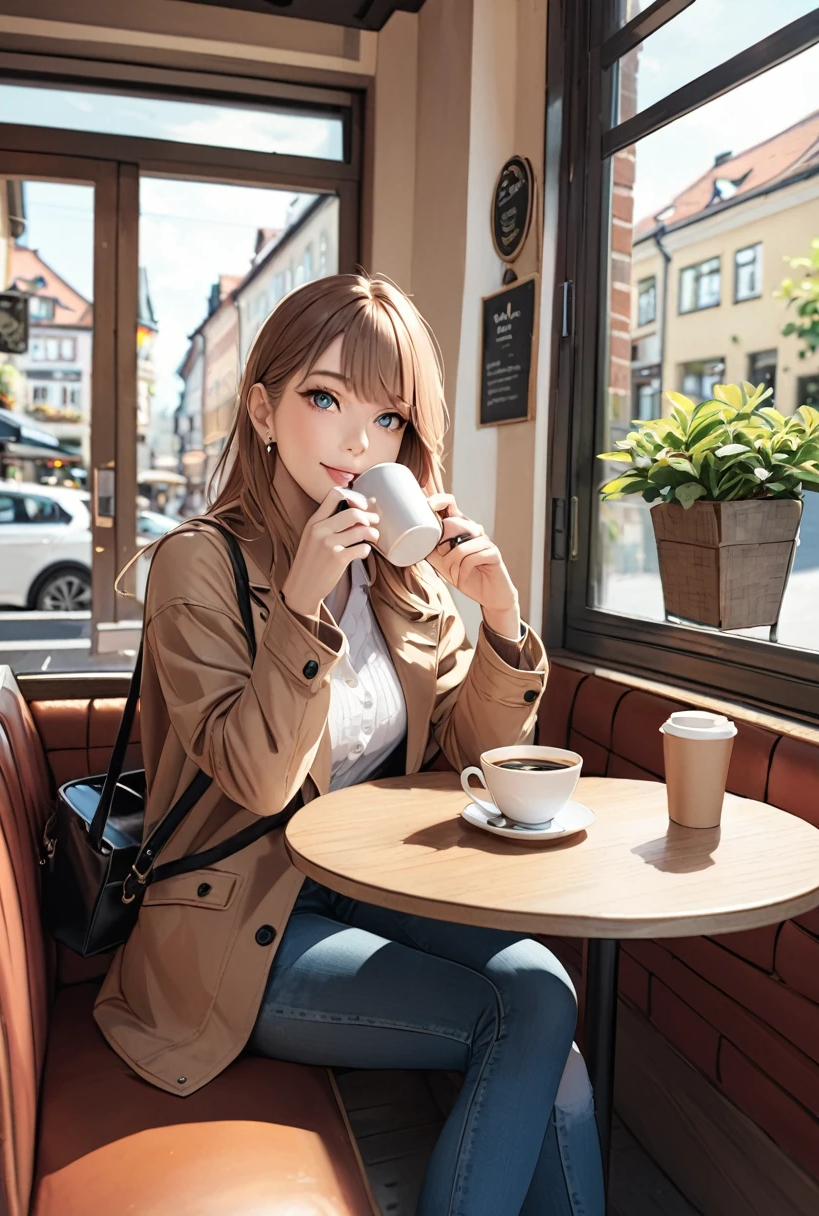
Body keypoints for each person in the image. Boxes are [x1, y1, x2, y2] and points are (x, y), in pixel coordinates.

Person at [96, 273, 604, 1215]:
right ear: (262, 408)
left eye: (388, 419)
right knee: (525, 1018)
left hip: (369, 887)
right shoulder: (198, 563)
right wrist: (303, 602)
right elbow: (253, 778)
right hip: (238, 918)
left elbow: (474, 756)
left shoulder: (401, 582)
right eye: (324, 398)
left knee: (542, 986)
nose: (357, 442)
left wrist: (499, 616)